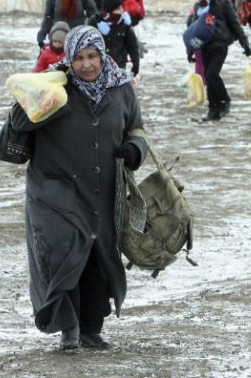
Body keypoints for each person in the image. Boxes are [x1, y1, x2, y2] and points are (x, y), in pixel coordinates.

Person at [9, 25, 148, 350]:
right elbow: (19, 124)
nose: (87, 65)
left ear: (103, 55)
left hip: (102, 191)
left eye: (92, 57)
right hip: (55, 191)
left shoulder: (121, 88)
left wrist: (134, 150)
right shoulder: (55, 88)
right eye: (79, 59)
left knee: (97, 259)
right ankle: (68, 328)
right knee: (63, 253)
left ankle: (90, 329)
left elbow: (137, 129)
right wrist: (32, 95)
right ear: (69, 60)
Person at [188, 0, 251, 122]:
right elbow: (193, 30)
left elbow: (234, 23)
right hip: (205, 46)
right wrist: (191, 50)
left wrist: (245, 44)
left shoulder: (221, 1)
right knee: (209, 78)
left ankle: (225, 100)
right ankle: (213, 110)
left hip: (220, 44)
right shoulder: (198, 7)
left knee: (211, 74)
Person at [88, 0, 140, 80]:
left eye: (121, 8)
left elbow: (132, 46)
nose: (122, 11)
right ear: (110, 11)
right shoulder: (95, 23)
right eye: (118, 9)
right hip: (98, 67)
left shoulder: (124, 24)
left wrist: (136, 64)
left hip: (119, 66)